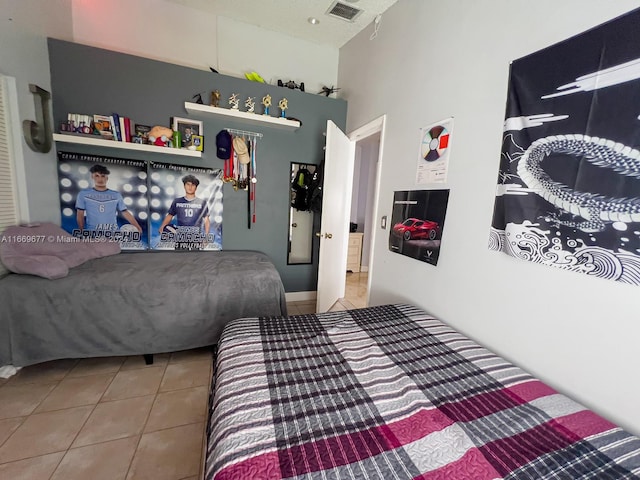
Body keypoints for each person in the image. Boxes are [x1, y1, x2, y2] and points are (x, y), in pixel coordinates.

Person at [75, 164, 142, 234]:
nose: (100, 179)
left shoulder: (116, 195)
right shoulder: (83, 194)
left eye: (103, 176)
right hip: (93, 234)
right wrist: (81, 231)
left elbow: (125, 212)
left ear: (107, 178)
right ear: (92, 177)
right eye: (97, 176)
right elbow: (80, 214)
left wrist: (137, 227)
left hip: (113, 233)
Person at [159, 174, 210, 249]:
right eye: (188, 184)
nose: (190, 187)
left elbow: (206, 220)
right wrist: (162, 226)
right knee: (179, 258)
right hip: (180, 236)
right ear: (184, 186)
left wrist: (206, 236)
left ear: (196, 187)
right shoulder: (177, 201)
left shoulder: (202, 202)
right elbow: (170, 215)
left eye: (192, 185)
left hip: (195, 237)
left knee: (196, 259)